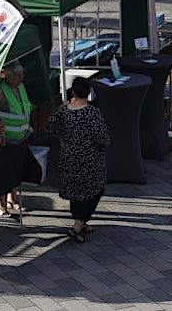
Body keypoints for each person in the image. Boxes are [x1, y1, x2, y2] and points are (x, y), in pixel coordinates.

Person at [46, 77, 111, 243]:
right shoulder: (92, 113)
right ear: (89, 93)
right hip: (90, 159)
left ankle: (81, 223)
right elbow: (103, 138)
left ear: (73, 92)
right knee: (94, 191)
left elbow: (50, 128)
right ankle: (78, 225)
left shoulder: (63, 111)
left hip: (68, 157)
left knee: (75, 192)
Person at [0, 62, 31, 215]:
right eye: (17, 75)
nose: (21, 78)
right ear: (8, 76)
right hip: (5, 139)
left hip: (21, 137)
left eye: (22, 75)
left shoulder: (20, 87)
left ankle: (12, 199)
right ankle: (0, 204)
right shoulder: (0, 92)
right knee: (2, 172)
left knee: (16, 171)